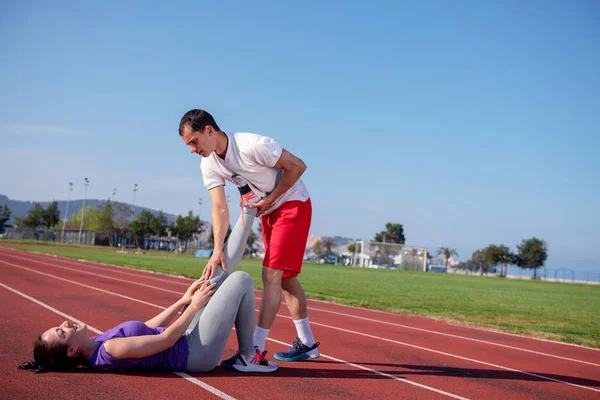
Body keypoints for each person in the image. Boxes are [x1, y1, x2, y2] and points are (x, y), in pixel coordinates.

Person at [178, 109, 320, 366]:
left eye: (193, 142)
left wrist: (269, 199)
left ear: (208, 131)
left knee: (271, 274)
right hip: (268, 210)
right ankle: (307, 343)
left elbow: (298, 166)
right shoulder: (208, 163)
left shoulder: (253, 145)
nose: (191, 150)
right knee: (285, 279)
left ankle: (255, 349)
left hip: (292, 203)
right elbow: (219, 207)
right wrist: (217, 249)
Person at [20, 270, 278, 373]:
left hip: (186, 339)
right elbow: (164, 339)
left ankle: (247, 355)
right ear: (72, 350)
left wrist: (183, 301)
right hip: (195, 353)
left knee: (218, 278)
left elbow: (147, 328)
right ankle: (248, 355)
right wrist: (195, 306)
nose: (65, 323)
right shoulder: (110, 350)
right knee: (241, 279)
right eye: (62, 331)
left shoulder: (96, 344)